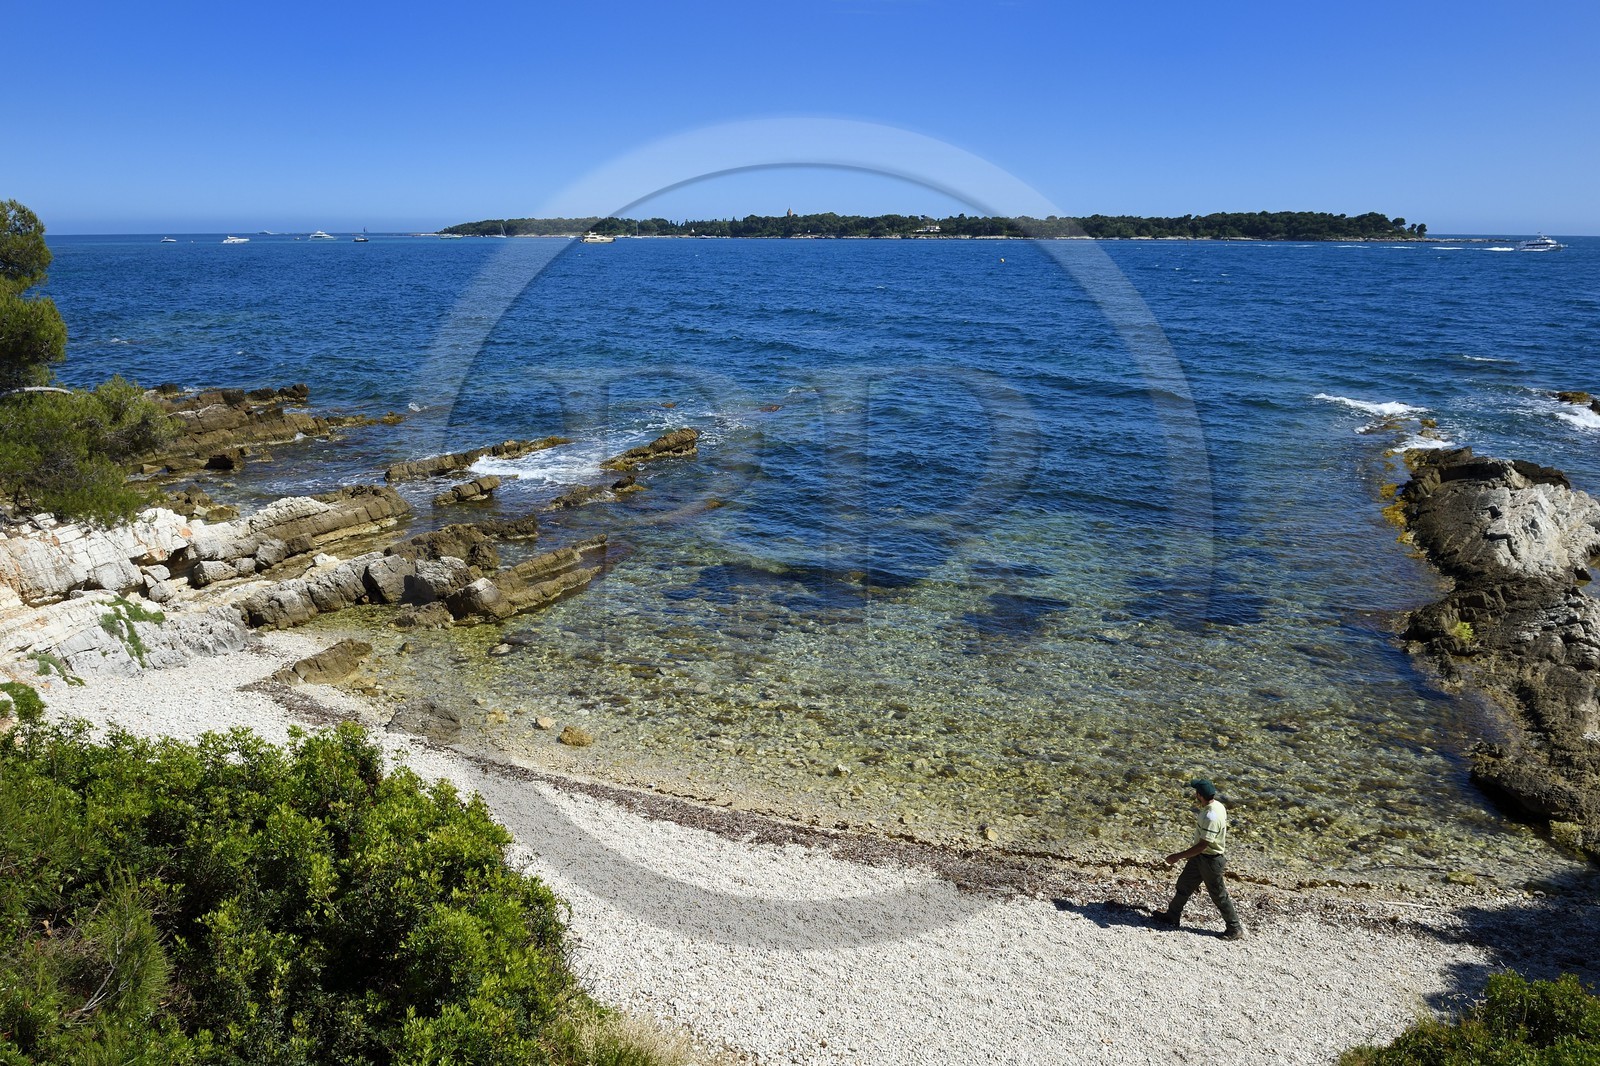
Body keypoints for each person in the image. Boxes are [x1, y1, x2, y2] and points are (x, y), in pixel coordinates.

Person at [1156, 778, 1245, 940]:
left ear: (1199, 795)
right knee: (1184, 884)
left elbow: (1203, 845)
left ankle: (1234, 928)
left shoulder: (1211, 816)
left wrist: (1177, 856)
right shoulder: (1217, 806)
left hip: (1210, 861)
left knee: (1218, 895)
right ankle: (1172, 916)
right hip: (1200, 858)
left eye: (1196, 792)